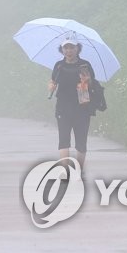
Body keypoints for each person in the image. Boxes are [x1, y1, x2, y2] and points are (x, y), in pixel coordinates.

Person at [46, 35, 100, 170]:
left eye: (71, 47)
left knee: (81, 142)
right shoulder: (59, 65)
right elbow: (53, 81)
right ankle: (65, 171)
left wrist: (88, 81)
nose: (68, 51)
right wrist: (51, 86)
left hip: (82, 107)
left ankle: (78, 172)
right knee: (63, 140)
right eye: (66, 47)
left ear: (77, 49)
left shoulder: (84, 65)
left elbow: (93, 85)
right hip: (63, 107)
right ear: (62, 49)